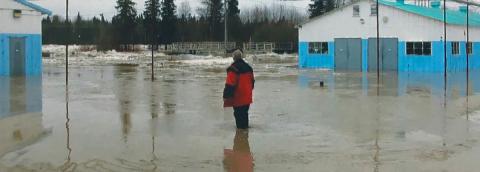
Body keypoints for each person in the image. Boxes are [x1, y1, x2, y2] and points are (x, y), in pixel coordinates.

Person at [223, 50, 255, 129]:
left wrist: (226, 96)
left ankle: (240, 132)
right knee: (245, 113)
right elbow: (252, 82)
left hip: (238, 97)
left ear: (233, 58)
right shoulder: (249, 67)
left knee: (238, 114)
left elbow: (230, 84)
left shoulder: (233, 69)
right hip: (247, 96)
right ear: (241, 57)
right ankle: (245, 130)